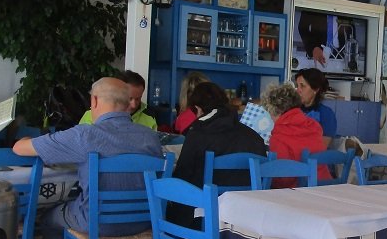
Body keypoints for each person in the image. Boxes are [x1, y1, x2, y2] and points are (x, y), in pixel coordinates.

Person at [13, 77, 163, 239]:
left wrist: (24, 137)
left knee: (48, 218)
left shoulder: (85, 135)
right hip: (143, 222)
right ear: (128, 103)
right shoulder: (151, 137)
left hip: (98, 223)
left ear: (94, 100)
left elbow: (19, 148)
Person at [169, 82, 267, 225]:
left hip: (203, 217)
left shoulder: (198, 134)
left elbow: (182, 177)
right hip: (247, 218)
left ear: (198, 109)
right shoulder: (254, 137)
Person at [261, 82, 331, 187]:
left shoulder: (279, 136)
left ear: (274, 110)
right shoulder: (314, 126)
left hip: (300, 191)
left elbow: (283, 178)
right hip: (326, 186)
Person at [78, 70, 157, 130]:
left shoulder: (149, 117)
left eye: (138, 98)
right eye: (129, 98)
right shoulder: (90, 115)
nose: (134, 104)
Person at [295, 67, 336, 147]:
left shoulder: (326, 114)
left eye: (302, 86)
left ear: (315, 89)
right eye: (297, 86)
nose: (298, 90)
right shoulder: (293, 111)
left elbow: (321, 147)